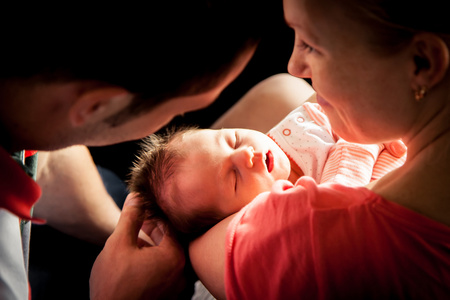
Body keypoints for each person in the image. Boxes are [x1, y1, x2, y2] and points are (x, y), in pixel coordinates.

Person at [0, 1, 281, 299]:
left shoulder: (26, 109)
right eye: (180, 112)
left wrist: (122, 232)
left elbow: (44, 161)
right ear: (96, 105)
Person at [188, 0, 450, 299]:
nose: (295, 66)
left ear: (422, 62)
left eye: (311, 45)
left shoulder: (319, 238)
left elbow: (192, 246)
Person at [128, 102, 406, 237]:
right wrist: (360, 141)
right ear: (235, 218)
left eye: (233, 139)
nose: (246, 154)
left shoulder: (299, 128)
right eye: (234, 177)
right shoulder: (281, 214)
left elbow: (354, 111)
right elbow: (342, 199)